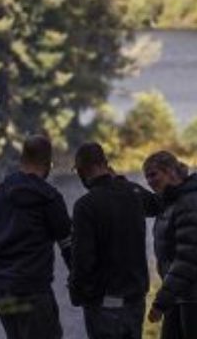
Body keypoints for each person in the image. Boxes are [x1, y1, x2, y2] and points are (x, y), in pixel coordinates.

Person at [0, 136, 73, 339]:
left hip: (2, 294)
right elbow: (69, 247)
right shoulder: (49, 198)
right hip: (34, 291)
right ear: (48, 164)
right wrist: (82, 286)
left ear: (22, 161)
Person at [67, 143, 157, 339]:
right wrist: (120, 181)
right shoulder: (133, 193)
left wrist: (76, 292)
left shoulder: (85, 206)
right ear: (106, 165)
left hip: (103, 305)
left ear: (81, 171)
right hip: (135, 301)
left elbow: (83, 259)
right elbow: (159, 205)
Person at [142, 151, 197, 339]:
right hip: (180, 295)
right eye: (146, 177)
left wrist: (160, 302)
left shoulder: (193, 203)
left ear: (171, 172)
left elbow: (187, 260)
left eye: (153, 174)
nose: (149, 181)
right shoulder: (172, 201)